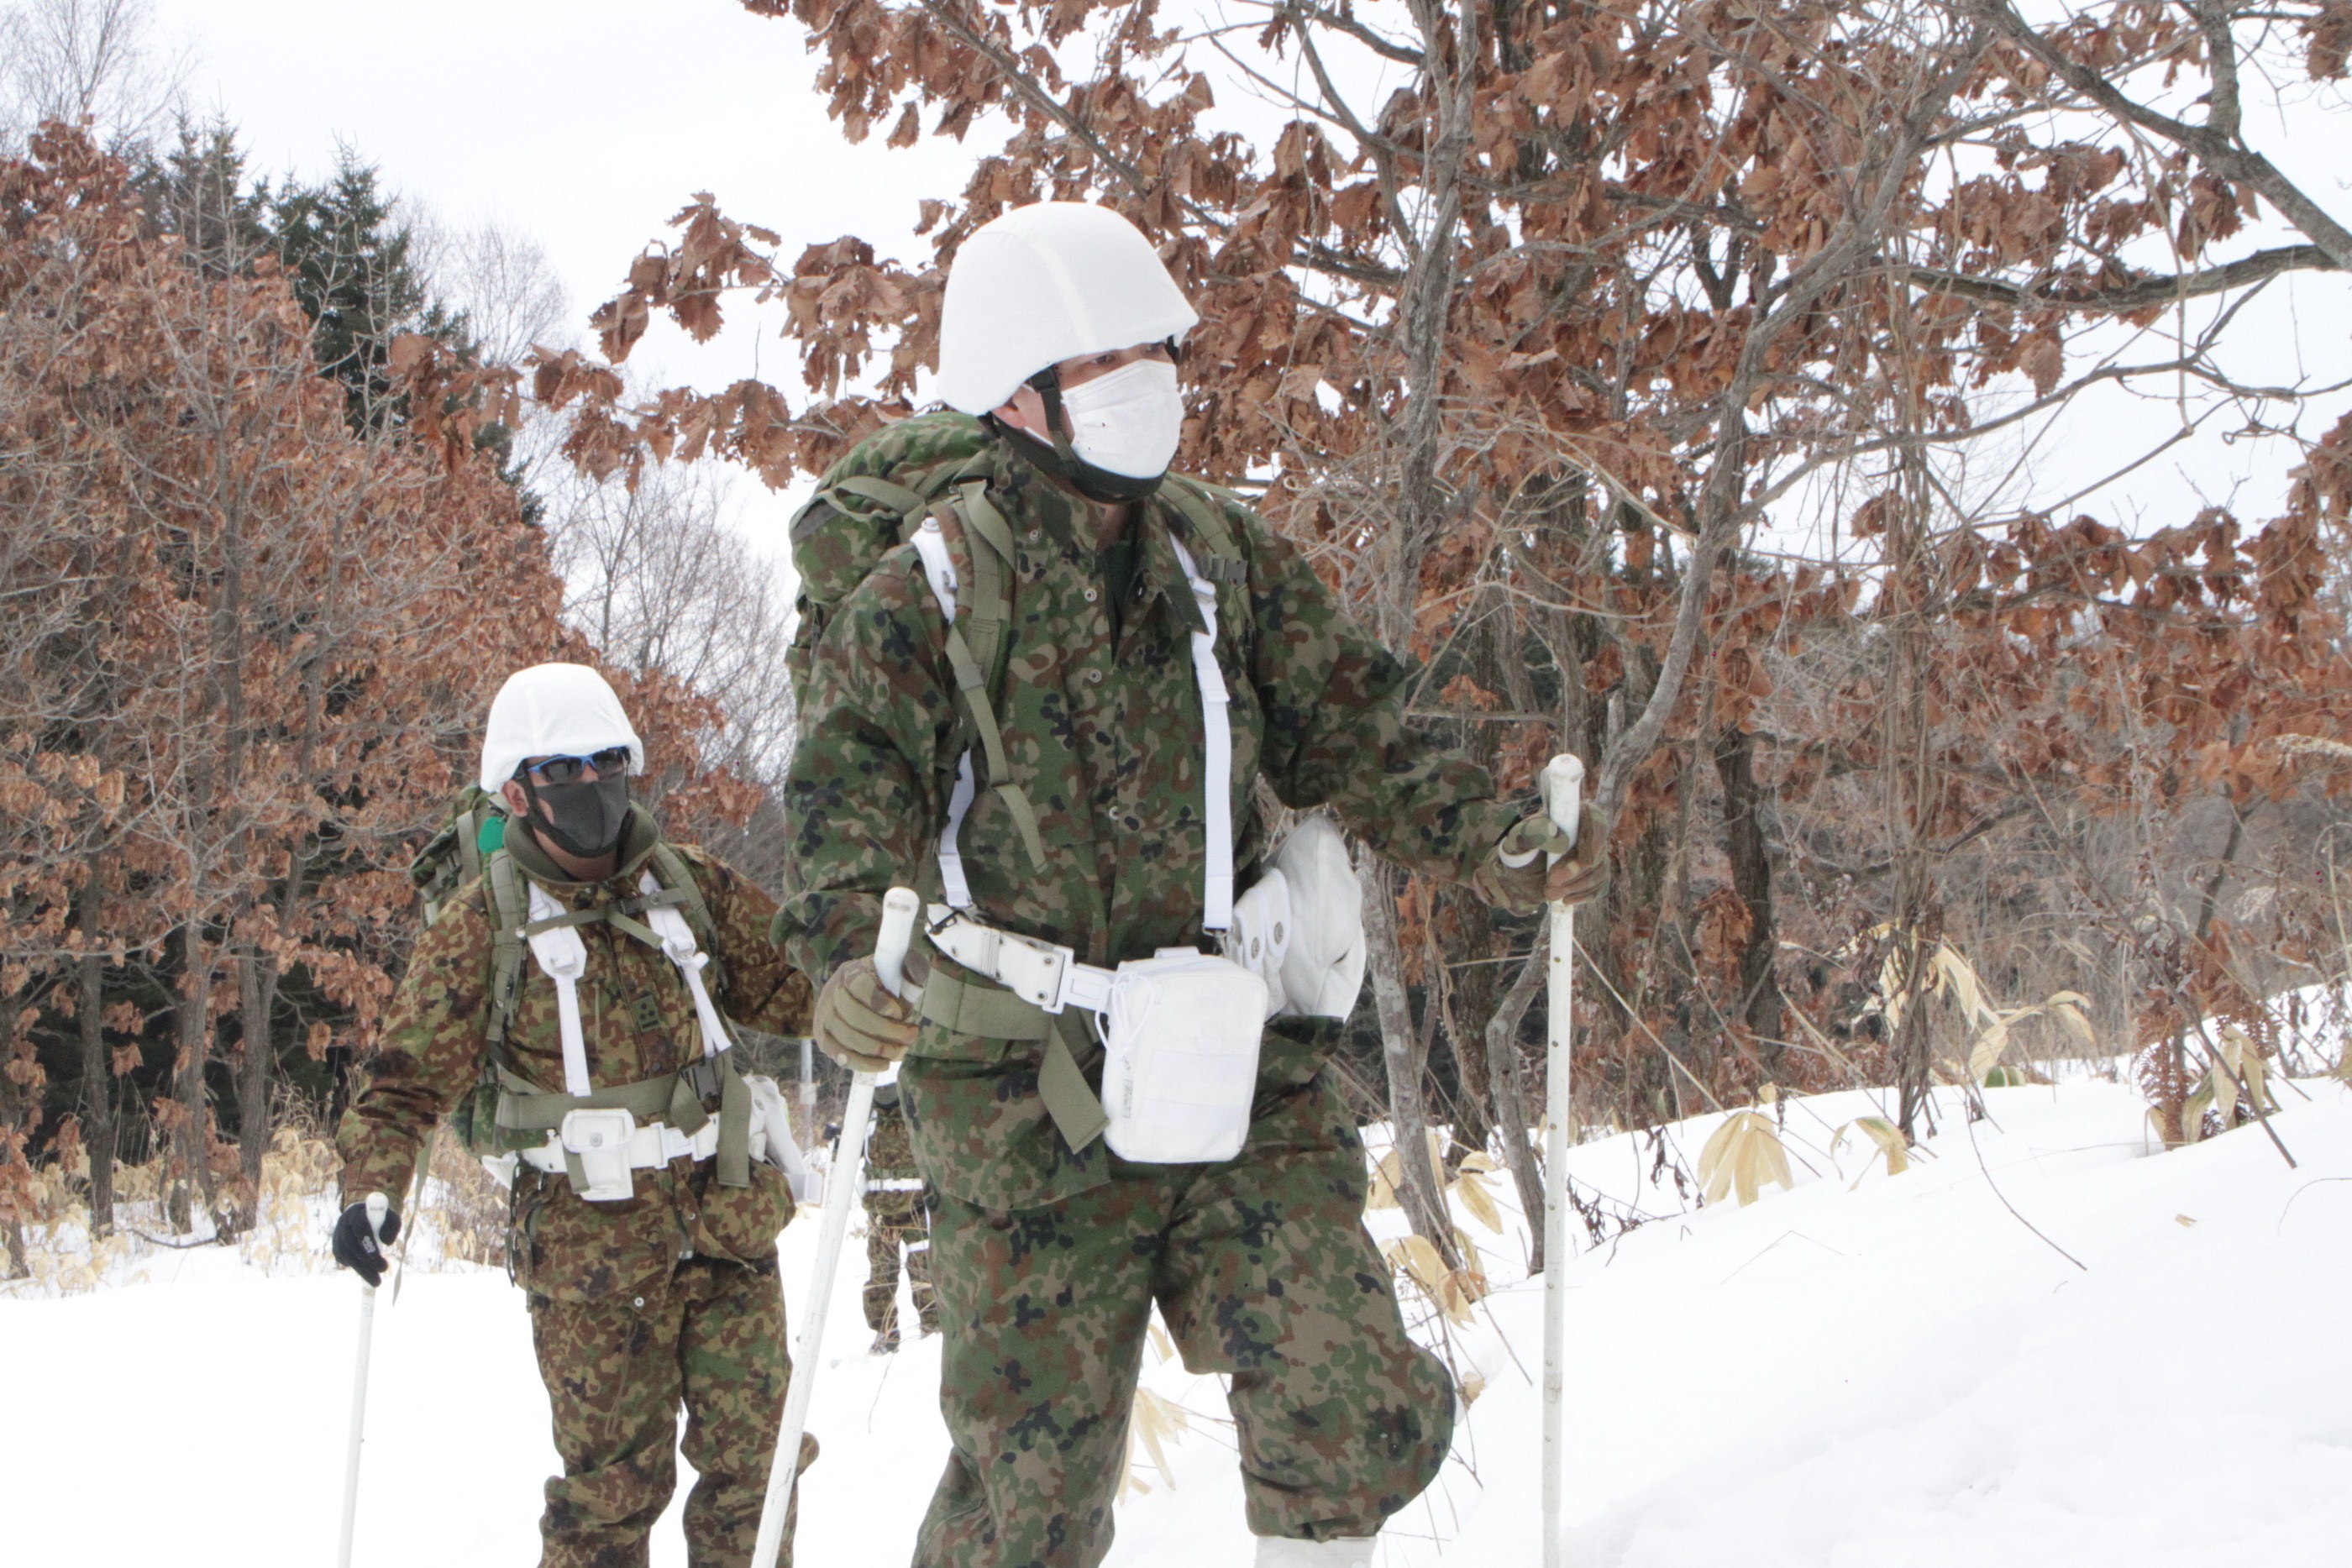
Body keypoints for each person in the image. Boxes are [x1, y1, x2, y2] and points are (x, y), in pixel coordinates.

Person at [775, 202, 1604, 1568]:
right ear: (1022, 396)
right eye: (1108, 361)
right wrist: (845, 969)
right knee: (1029, 1496)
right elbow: (847, 801)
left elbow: (1357, 723)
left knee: (1348, 1399)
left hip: (1224, 1051)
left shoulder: (1218, 558)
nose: (1148, 380)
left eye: (1158, 348)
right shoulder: (920, 597)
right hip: (1021, 1095)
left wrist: (1499, 835)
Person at [332, 662, 816, 1568]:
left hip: (727, 1224)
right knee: (608, 1498)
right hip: (593, 1256)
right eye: (563, 772)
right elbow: (400, 1084)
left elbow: (796, 985)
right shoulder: (482, 925)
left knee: (762, 1468)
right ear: (516, 791)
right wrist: (370, 1189)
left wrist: (875, 986)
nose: (591, 786)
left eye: (606, 763)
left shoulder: (684, 881)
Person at [860, 1072, 940, 1353]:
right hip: (881, 1214)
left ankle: (933, 1333)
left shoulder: (916, 1109)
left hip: (918, 1213)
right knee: (881, 1277)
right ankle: (885, 1336)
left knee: (925, 1274)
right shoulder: (865, 1116)